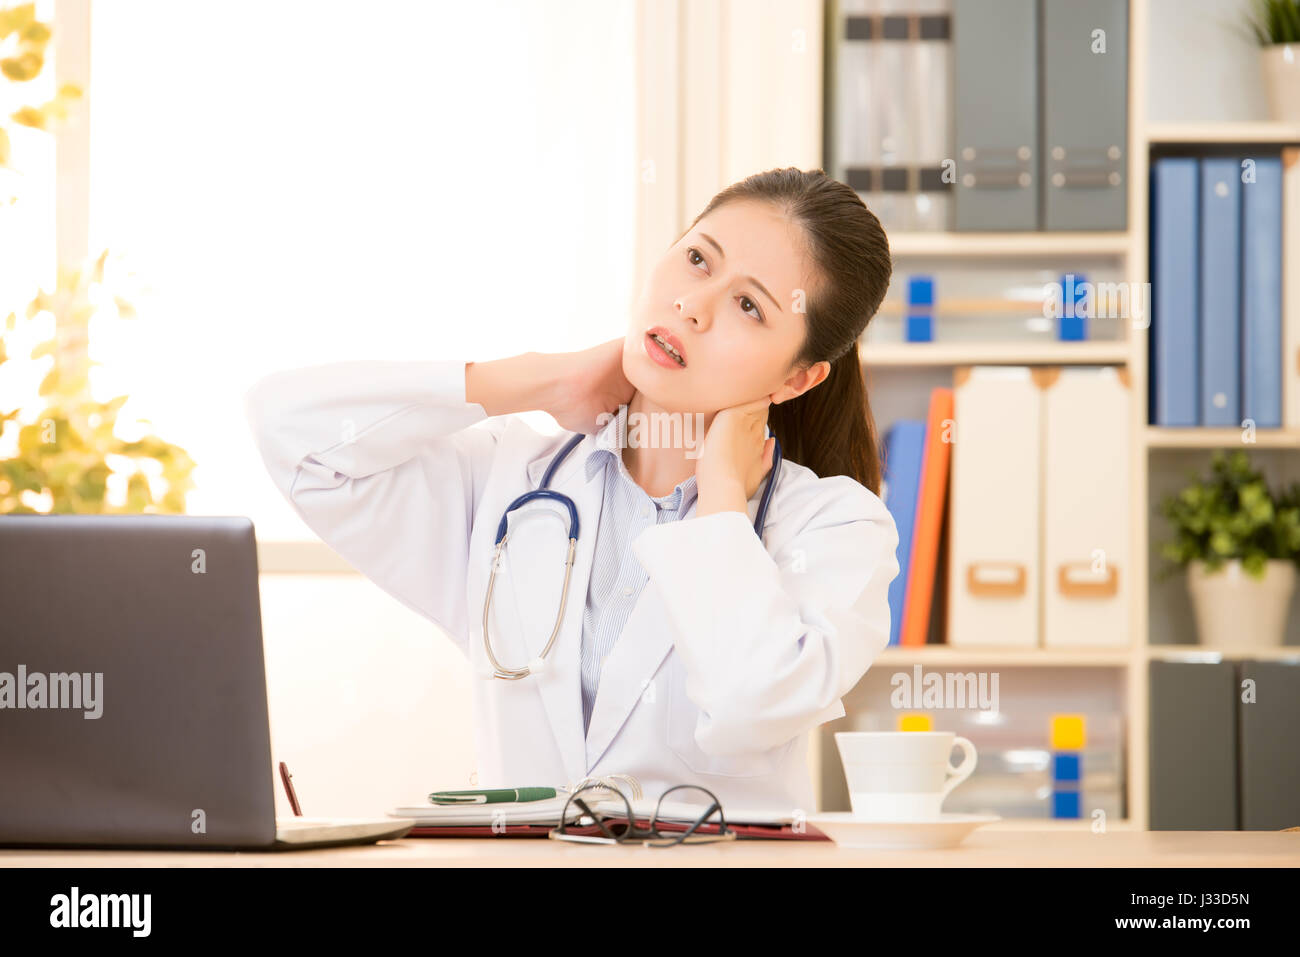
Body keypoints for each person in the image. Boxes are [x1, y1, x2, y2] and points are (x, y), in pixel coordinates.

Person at [243, 166, 899, 815]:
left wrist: (723, 497)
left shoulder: (834, 529)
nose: (693, 307)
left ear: (797, 380)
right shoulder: (508, 483)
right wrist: (532, 379)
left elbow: (751, 703)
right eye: (698, 259)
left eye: (749, 305)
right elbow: (290, 430)